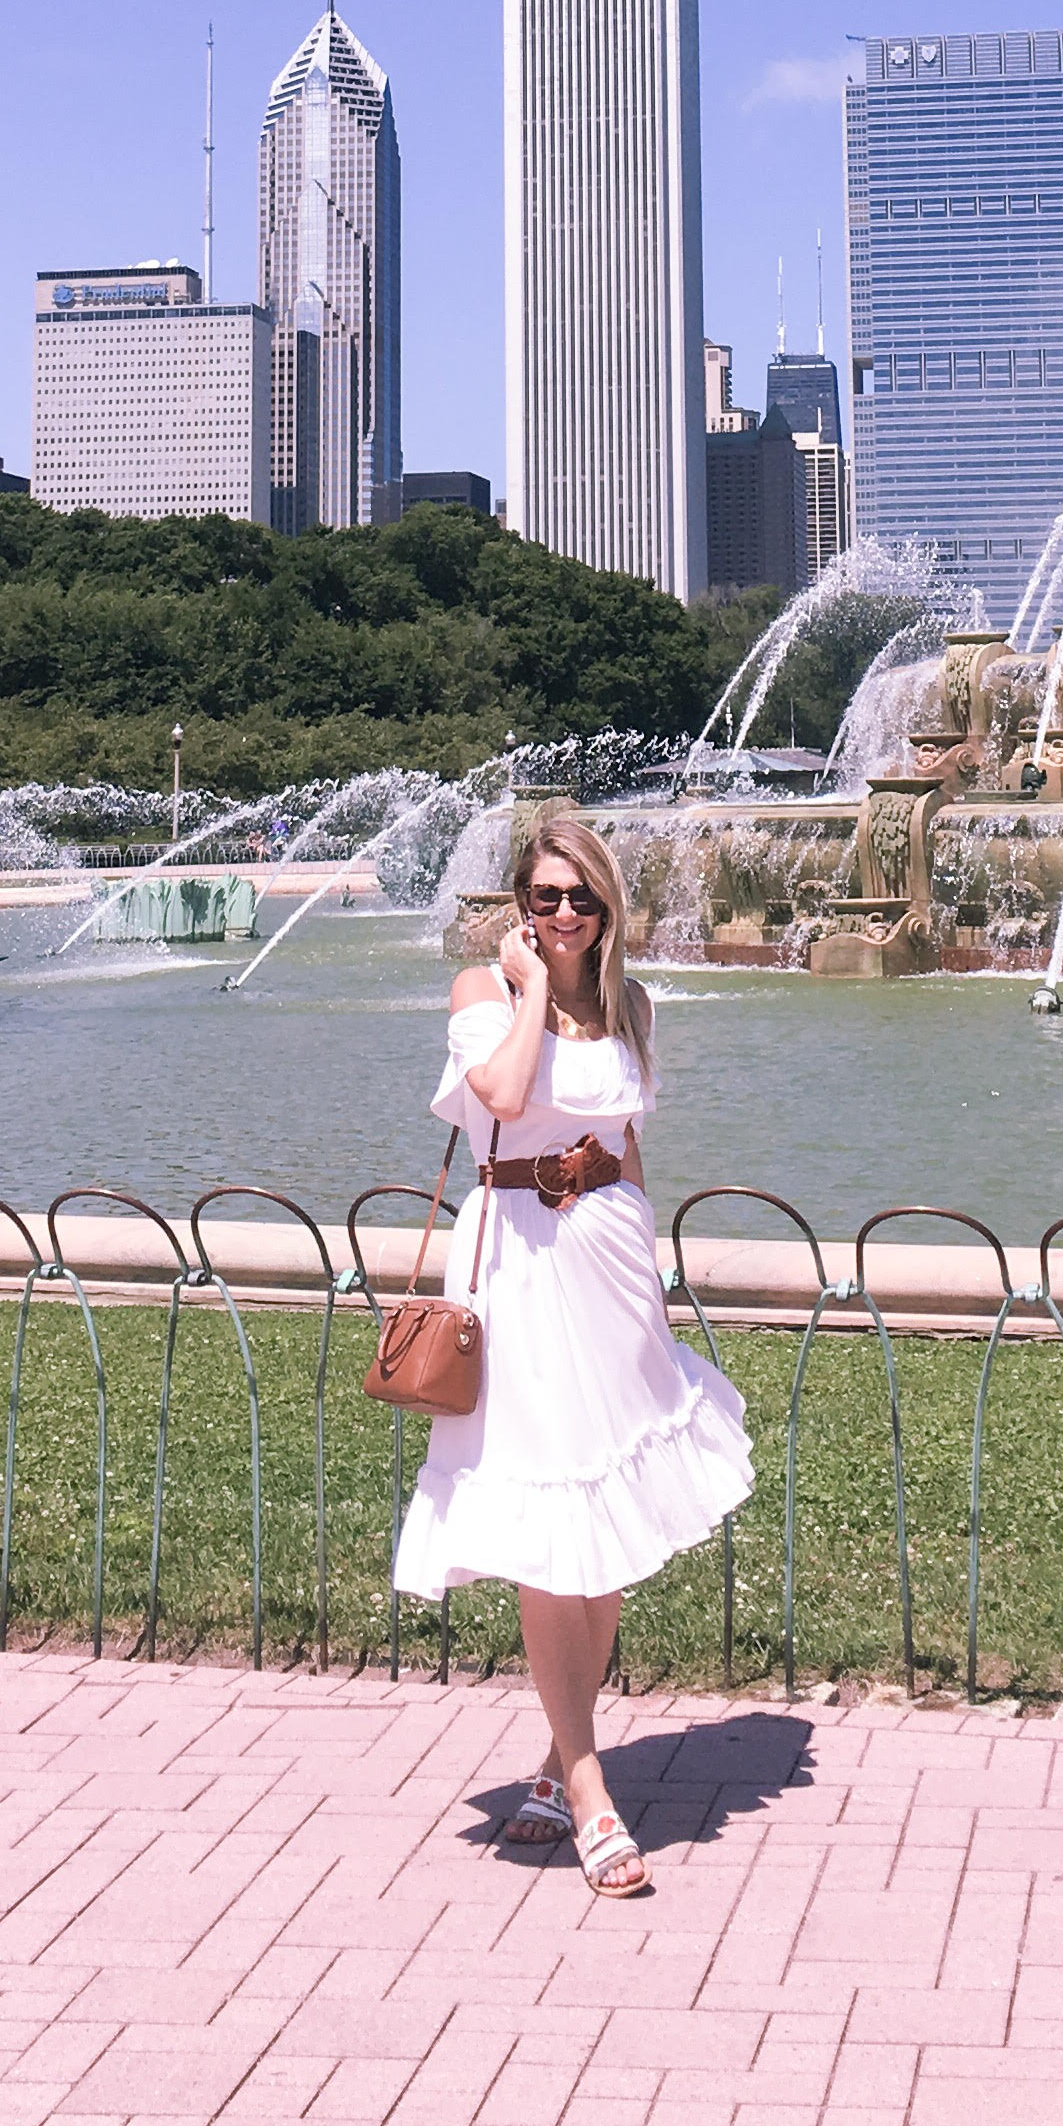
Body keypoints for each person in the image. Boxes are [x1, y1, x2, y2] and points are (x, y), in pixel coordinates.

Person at [391, 808, 752, 1899]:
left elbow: (632, 1145)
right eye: (543, 898)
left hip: (606, 1273)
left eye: (579, 899)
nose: (561, 915)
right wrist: (532, 985)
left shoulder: (633, 1004)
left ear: (607, 909)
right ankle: (593, 1791)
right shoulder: (481, 998)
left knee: (602, 1520)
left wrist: (644, 1270)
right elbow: (503, 1096)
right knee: (550, 1523)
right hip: (517, 1272)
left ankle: (555, 1763)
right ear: (519, 906)